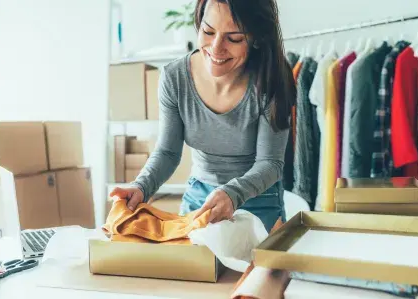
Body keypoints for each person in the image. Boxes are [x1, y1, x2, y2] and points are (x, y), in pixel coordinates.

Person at [110, 0, 296, 232]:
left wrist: (233, 193)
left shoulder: (272, 79)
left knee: (253, 270)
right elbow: (168, 152)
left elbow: (270, 163)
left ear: (257, 38)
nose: (216, 47)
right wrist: (141, 187)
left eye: (234, 38)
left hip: (258, 200)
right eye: (208, 31)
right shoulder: (175, 78)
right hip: (199, 198)